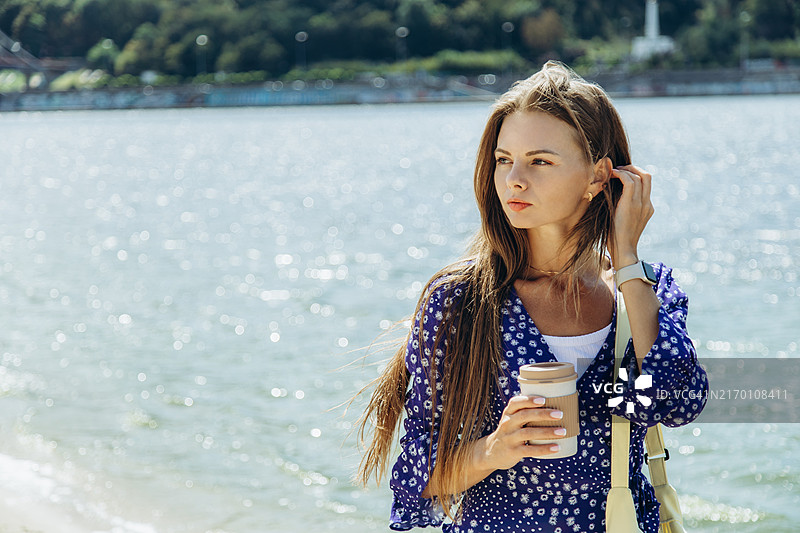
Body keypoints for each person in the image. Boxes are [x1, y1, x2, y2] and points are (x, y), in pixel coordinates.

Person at [355, 61, 708, 532]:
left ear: (598, 176)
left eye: (539, 161)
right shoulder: (460, 301)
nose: (513, 180)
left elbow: (677, 401)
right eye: (504, 160)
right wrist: (494, 449)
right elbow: (415, 482)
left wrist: (627, 257)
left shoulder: (644, 290)